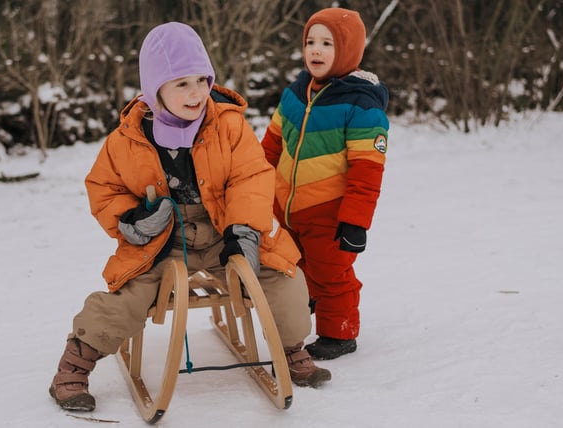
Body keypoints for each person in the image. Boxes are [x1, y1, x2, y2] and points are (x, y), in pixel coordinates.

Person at [49, 22, 331, 413]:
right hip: (163, 241)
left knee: (283, 276)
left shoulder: (227, 124)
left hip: (225, 230)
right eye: (181, 83)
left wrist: (244, 230)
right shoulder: (128, 139)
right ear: (155, 88)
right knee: (128, 296)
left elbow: (251, 175)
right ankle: (75, 363)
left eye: (202, 79)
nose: (197, 92)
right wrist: (131, 218)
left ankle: (291, 347)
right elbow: (104, 187)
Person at [259, 8, 390, 360]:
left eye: (327, 44)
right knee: (294, 267)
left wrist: (355, 221)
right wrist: (256, 185)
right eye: (311, 42)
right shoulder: (295, 93)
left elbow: (368, 169)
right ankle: (305, 305)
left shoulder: (361, 105)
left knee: (333, 274)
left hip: (330, 212)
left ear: (347, 50)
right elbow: (271, 144)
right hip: (285, 207)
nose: (315, 50)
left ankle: (339, 333)